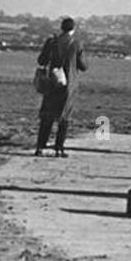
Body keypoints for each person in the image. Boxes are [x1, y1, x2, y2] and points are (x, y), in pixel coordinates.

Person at [35, 17, 88, 157]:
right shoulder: (76, 44)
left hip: (52, 83)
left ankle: (40, 147)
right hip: (68, 85)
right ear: (73, 29)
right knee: (64, 117)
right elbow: (83, 66)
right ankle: (59, 148)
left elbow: (41, 60)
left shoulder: (51, 42)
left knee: (47, 116)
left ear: (61, 27)